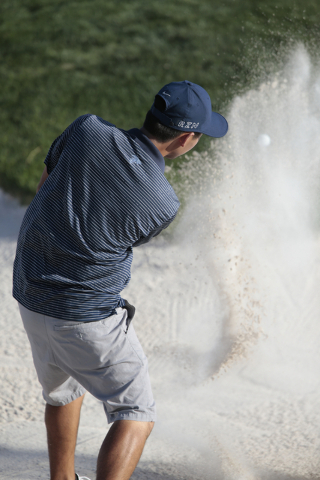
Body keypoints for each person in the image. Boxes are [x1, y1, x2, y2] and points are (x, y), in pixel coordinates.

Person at [13, 80, 228, 480]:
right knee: (136, 411)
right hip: (85, 317)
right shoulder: (162, 202)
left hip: (30, 293)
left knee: (62, 390)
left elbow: (46, 187)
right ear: (185, 138)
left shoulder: (86, 129)